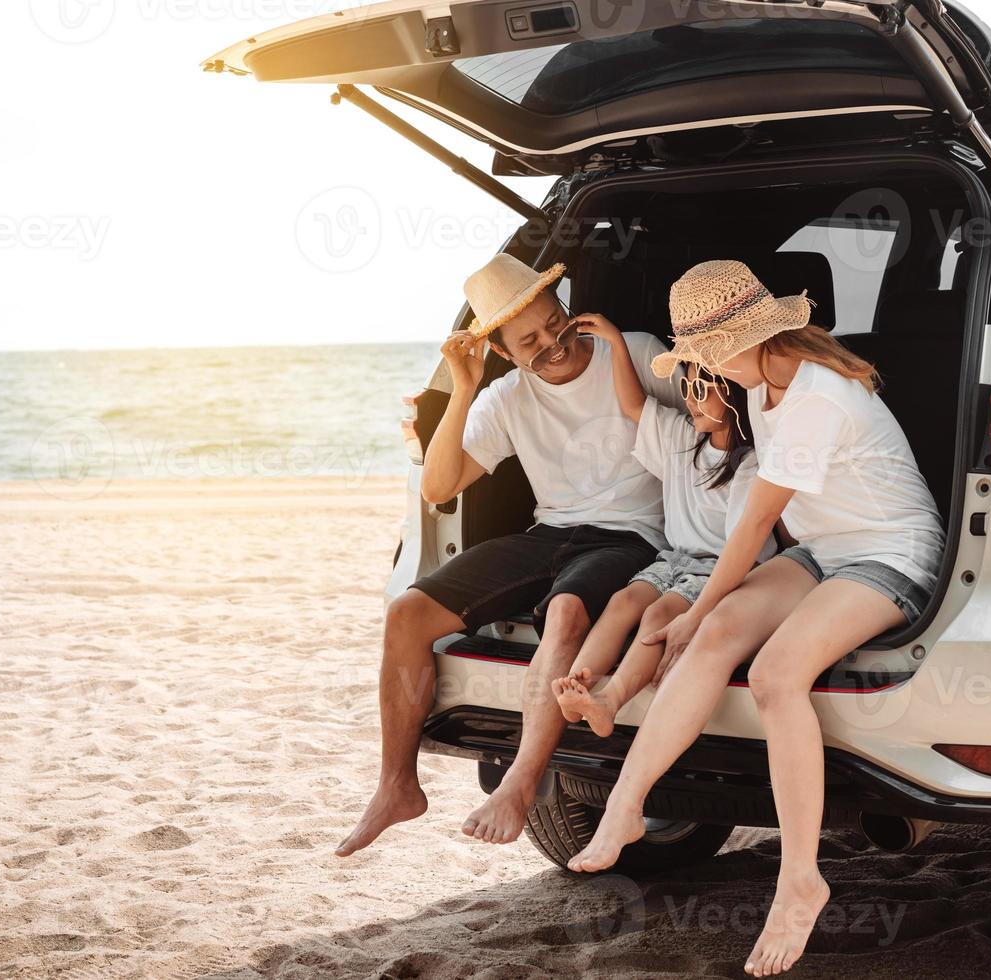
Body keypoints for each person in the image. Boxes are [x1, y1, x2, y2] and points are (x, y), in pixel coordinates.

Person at [562, 260, 945, 978]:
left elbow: (754, 524)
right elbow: (778, 526)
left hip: (890, 555)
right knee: (712, 638)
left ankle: (799, 877)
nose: (701, 372)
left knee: (773, 675)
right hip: (827, 551)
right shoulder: (767, 386)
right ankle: (625, 804)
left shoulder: (812, 399)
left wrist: (697, 603)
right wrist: (704, 615)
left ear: (740, 341)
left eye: (704, 356)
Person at [334, 253, 682, 857]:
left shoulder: (634, 349)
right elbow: (438, 487)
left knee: (567, 611)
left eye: (556, 321)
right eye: (529, 340)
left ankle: (520, 786)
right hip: (549, 534)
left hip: (632, 536)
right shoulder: (505, 396)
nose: (553, 342)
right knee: (406, 615)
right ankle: (396, 786)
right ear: (502, 350)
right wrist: (462, 389)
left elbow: (714, 425)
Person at [550, 311, 774, 737]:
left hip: (720, 570)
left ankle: (609, 701)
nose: (687, 397)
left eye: (699, 388)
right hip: (674, 558)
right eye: (683, 385)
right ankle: (580, 683)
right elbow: (634, 404)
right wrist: (616, 343)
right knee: (623, 603)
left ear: (731, 394)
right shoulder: (682, 440)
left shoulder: (754, 465)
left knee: (659, 613)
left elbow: (746, 547)